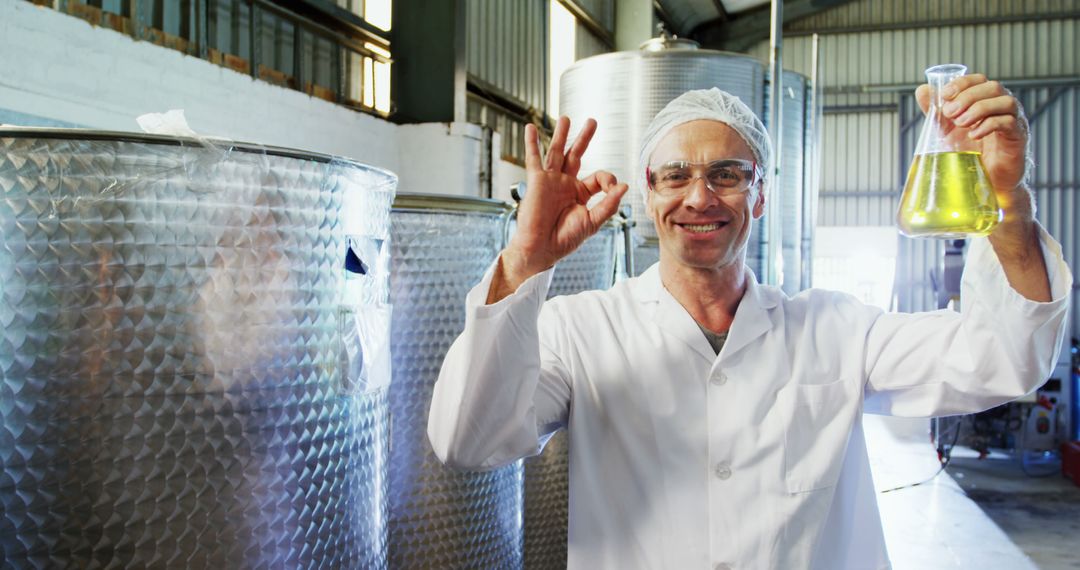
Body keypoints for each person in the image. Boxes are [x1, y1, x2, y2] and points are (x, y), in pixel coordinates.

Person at [427, 75, 1072, 568]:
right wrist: (524, 261)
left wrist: (1007, 202)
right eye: (675, 175)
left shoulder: (834, 330)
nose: (699, 196)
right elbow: (469, 439)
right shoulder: (582, 329)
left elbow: (1002, 356)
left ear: (761, 195)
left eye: (727, 175)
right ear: (649, 194)